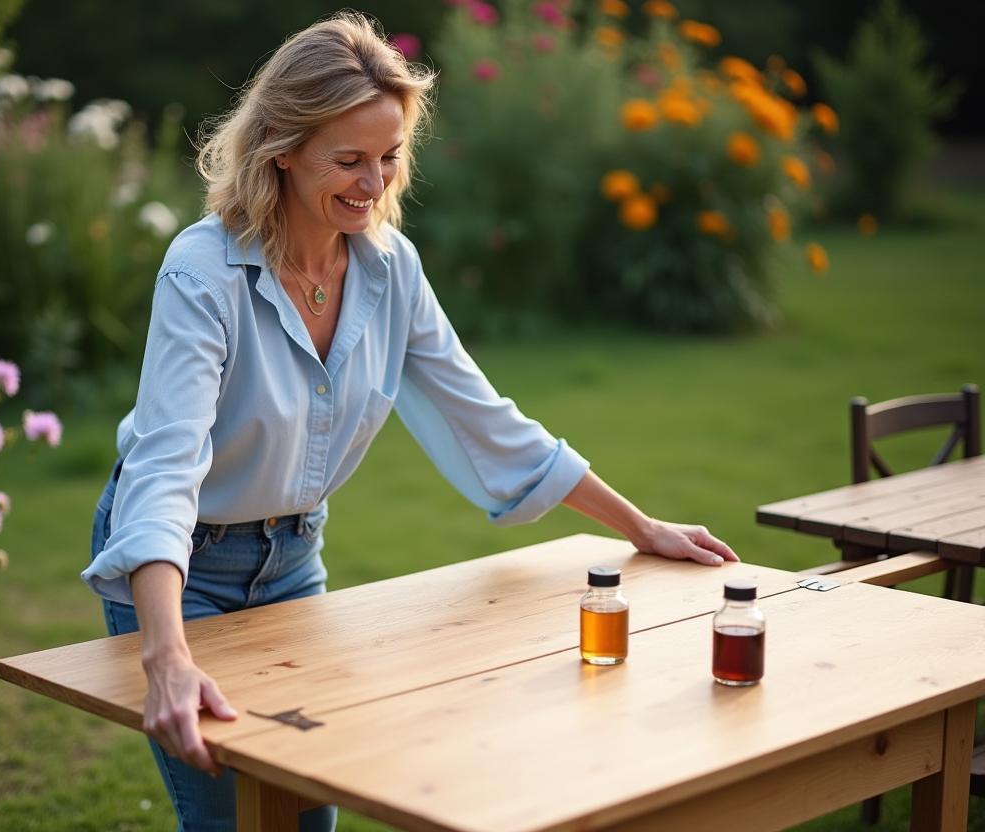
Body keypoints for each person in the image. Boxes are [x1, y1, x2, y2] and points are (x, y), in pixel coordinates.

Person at [84, 12, 739, 831]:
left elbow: (483, 420)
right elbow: (165, 470)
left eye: (389, 156)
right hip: (185, 571)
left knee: (309, 812)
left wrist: (642, 527)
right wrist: (167, 657)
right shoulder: (202, 271)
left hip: (292, 559)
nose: (374, 182)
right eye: (349, 160)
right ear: (282, 148)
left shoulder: (389, 266)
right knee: (230, 819)